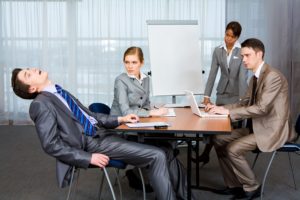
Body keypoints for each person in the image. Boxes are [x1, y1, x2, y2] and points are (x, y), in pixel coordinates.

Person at [11, 67, 178, 200]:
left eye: (29, 69)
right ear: (32, 88)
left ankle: (183, 196)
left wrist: (121, 118)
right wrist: (87, 157)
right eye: (28, 74)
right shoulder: (40, 104)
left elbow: (92, 116)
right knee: (157, 155)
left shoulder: (59, 92)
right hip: (92, 144)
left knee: (166, 149)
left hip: (104, 134)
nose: (33, 69)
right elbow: (51, 144)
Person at [206, 38, 296, 199]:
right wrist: (221, 108)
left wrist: (228, 114)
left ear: (259, 54)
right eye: (242, 56)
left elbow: (262, 108)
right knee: (218, 139)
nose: (243, 60)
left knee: (233, 149)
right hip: (258, 126)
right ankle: (234, 185)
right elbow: (243, 103)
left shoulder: (272, 76)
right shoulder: (254, 77)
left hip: (273, 130)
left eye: (247, 55)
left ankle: (252, 186)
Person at [111, 46, 193, 200]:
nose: (130, 66)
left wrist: (154, 108)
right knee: (165, 151)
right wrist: (151, 113)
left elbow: (145, 103)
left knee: (168, 149)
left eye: (134, 62)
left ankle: (182, 195)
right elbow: (125, 112)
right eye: (127, 62)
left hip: (139, 127)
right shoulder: (120, 80)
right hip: (124, 131)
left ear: (141, 63)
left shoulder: (146, 79)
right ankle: (177, 195)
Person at [195, 21, 248, 166]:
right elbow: (212, 74)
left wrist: (243, 100)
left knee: (231, 128)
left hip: (237, 94)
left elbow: (243, 77)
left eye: (231, 36)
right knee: (215, 124)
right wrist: (206, 96)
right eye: (226, 35)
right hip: (222, 93)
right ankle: (206, 154)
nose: (228, 39)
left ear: (237, 37)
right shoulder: (218, 51)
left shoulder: (242, 51)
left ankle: (230, 157)